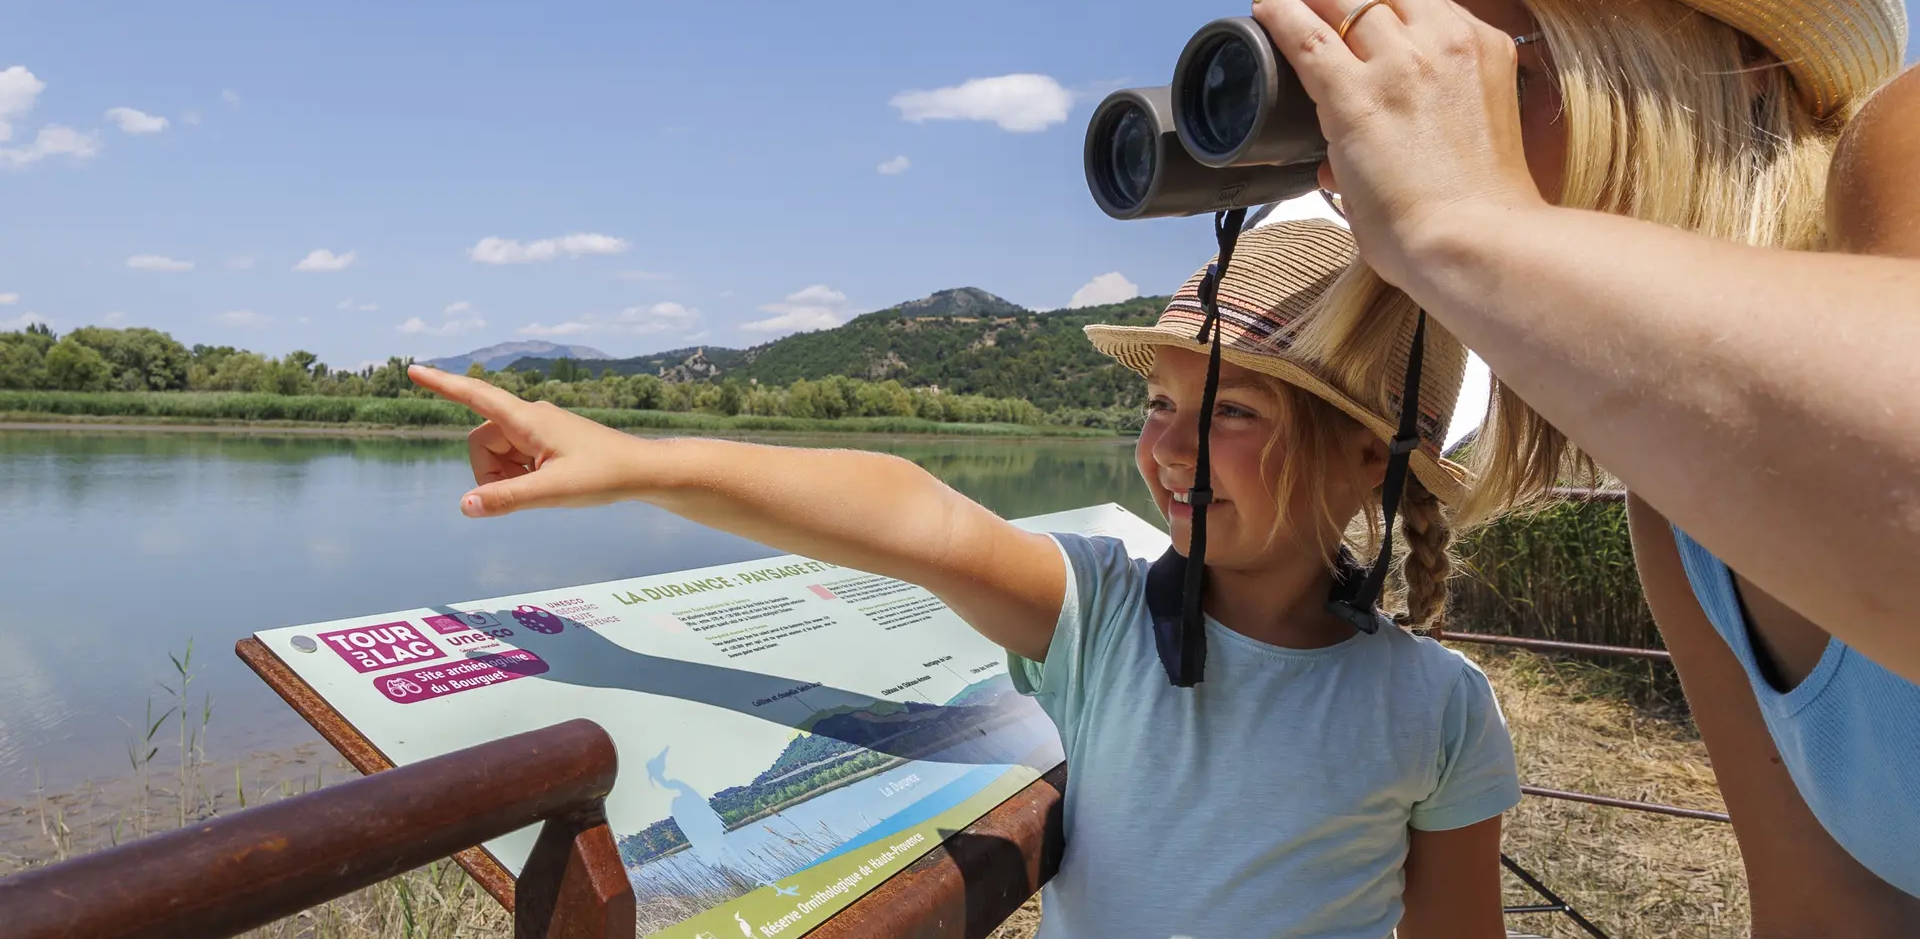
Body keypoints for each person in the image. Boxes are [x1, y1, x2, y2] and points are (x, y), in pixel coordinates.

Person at [408, 219, 1526, 939]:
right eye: (1158, 406)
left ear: (1366, 460)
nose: (1170, 448)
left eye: (1230, 411)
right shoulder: (1106, 620)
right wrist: (636, 462)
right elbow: (912, 513)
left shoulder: (1436, 710)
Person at [1240, 0, 1920, 925]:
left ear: (1738, 68)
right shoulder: (1682, 519)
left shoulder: (1912, 125)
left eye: (1472, 78)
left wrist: (1471, 227)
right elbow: (1833, 909)